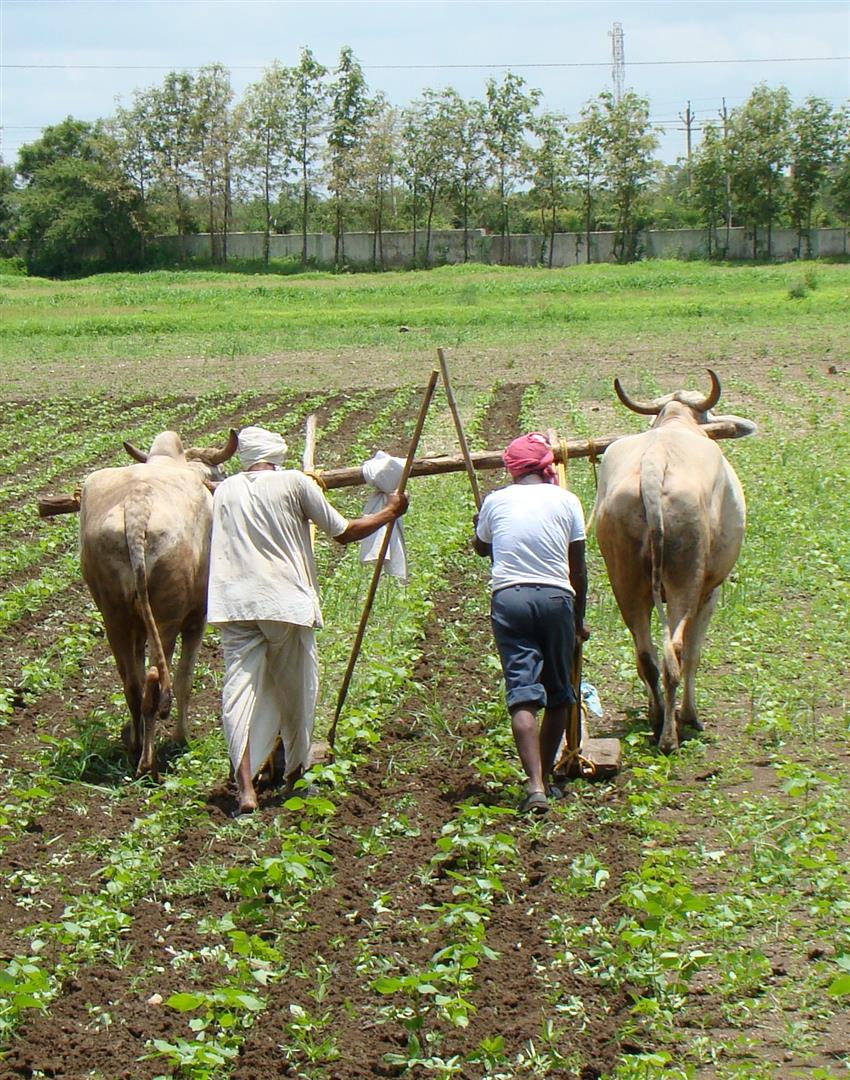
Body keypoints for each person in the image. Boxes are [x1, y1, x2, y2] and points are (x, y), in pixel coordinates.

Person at [208, 425, 409, 815]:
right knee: (296, 689)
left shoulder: (224, 491)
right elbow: (344, 532)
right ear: (276, 454)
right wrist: (390, 511)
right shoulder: (296, 483)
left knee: (237, 694)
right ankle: (296, 771)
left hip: (233, 605)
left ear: (245, 457)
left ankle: (246, 788)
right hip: (284, 603)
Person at [474, 432, 588, 814]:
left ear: (512, 470)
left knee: (522, 693)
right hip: (557, 598)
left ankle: (535, 785)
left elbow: (482, 546)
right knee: (559, 694)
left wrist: (481, 521)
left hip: (510, 599)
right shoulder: (567, 501)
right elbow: (579, 569)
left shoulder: (495, 501)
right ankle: (543, 777)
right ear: (547, 467)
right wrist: (579, 620)